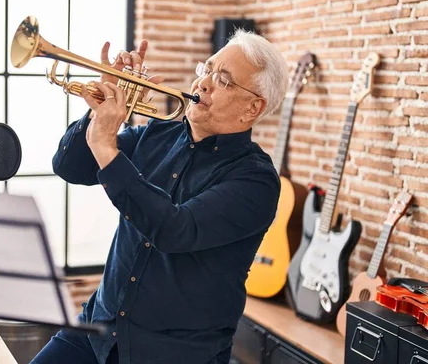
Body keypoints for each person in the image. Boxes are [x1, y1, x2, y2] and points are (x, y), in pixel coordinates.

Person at [31, 30, 289, 364]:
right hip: (97, 329)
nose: (203, 84)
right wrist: (100, 110)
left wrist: (107, 146)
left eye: (223, 80)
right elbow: (69, 167)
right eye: (206, 70)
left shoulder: (256, 180)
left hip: (174, 353)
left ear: (252, 108)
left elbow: (174, 229)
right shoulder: (157, 134)